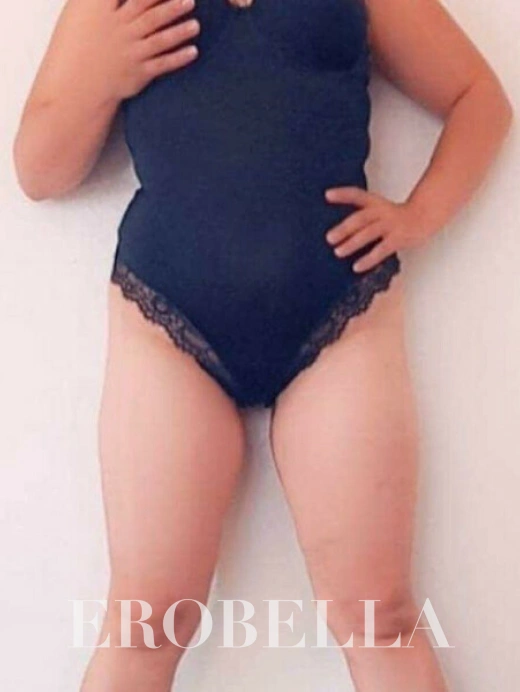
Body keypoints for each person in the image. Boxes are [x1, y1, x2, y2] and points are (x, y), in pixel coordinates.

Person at [13, 0, 513, 690]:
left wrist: (420, 214)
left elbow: (478, 97)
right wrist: (100, 77)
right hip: (168, 323)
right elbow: (38, 172)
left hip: (340, 317)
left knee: (380, 617)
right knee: (144, 622)